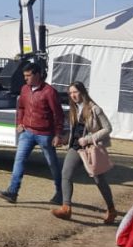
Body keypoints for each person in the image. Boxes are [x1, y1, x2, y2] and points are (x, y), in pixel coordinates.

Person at [0, 61, 64, 205]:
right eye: (24, 76)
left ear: (38, 75)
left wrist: (57, 134)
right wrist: (19, 122)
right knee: (19, 160)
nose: (26, 78)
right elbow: (21, 108)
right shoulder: (24, 89)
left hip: (45, 135)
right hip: (27, 132)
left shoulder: (49, 92)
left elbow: (58, 114)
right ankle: (12, 192)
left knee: (53, 164)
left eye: (28, 75)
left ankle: (61, 194)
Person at [50, 81, 116, 222]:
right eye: (71, 93)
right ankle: (66, 208)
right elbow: (75, 131)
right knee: (66, 174)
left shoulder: (94, 109)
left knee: (99, 179)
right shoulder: (74, 109)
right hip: (75, 148)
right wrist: (64, 139)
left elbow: (107, 128)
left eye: (75, 92)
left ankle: (111, 209)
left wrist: (89, 139)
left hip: (90, 149)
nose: (73, 95)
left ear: (82, 92)